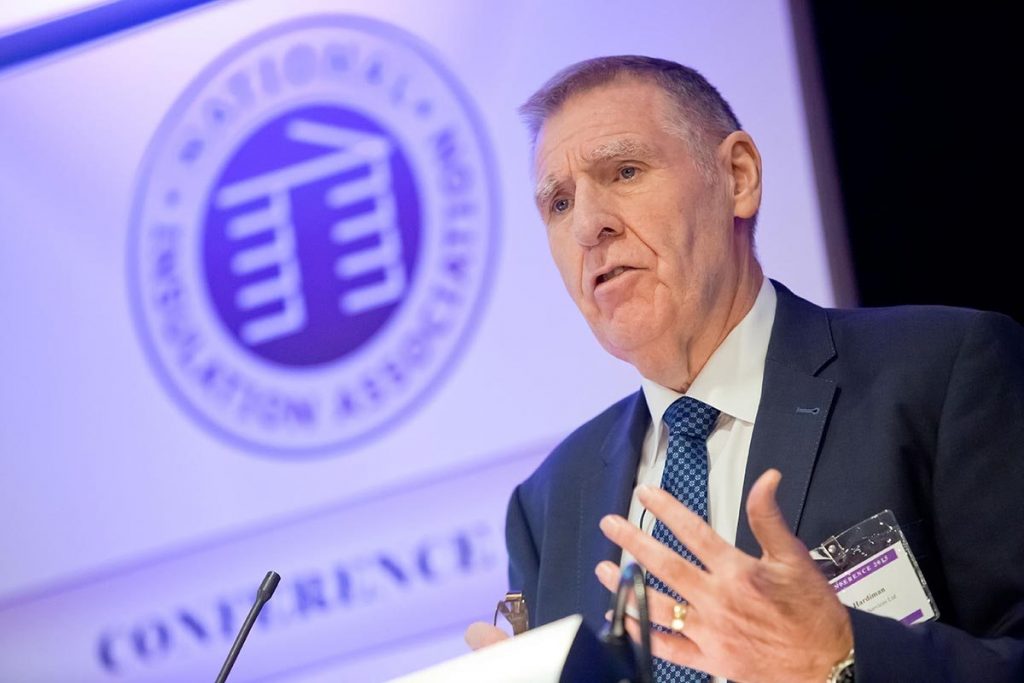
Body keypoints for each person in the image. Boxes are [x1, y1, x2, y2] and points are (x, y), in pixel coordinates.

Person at [464, 56, 1024, 682]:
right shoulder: (547, 506)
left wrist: (841, 659)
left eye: (624, 171)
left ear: (738, 177)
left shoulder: (940, 373)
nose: (589, 226)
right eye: (560, 203)